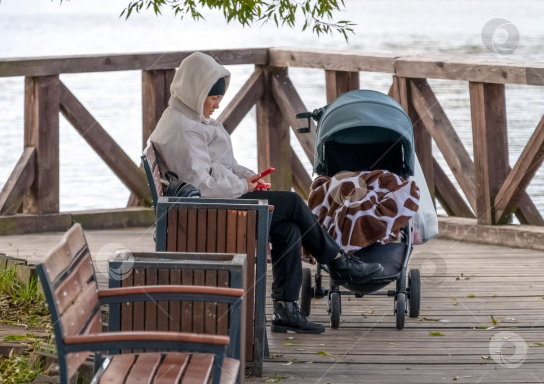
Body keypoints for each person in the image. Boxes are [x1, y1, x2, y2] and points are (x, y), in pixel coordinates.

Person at [149, 52, 383, 335]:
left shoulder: (186, 117)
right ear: (195, 92)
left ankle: (287, 308)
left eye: (219, 98)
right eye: (212, 98)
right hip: (208, 214)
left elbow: (218, 167)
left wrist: (246, 176)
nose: (217, 104)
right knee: (293, 202)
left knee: (288, 228)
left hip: (211, 206)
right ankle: (338, 263)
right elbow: (204, 187)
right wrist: (243, 187)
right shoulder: (184, 130)